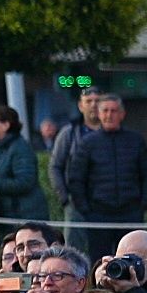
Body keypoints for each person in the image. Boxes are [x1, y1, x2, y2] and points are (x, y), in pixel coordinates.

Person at [67, 94, 147, 260]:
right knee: (100, 261)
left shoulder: (136, 140)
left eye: (114, 111)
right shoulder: (87, 143)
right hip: (98, 215)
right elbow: (76, 178)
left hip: (131, 213)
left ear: (122, 114)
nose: (109, 115)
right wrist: (86, 210)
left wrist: (143, 205)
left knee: (132, 259)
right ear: (99, 114)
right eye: (105, 111)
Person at [50, 85, 101, 252]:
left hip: (106, 204)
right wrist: (65, 197)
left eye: (97, 101)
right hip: (76, 204)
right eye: (89, 101)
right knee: (73, 253)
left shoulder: (114, 135)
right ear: (81, 105)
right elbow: (56, 166)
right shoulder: (68, 134)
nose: (93, 105)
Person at [0, 105, 47, 223]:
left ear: (6, 125)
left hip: (25, 214)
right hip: (6, 214)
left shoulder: (21, 148)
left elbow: (25, 181)